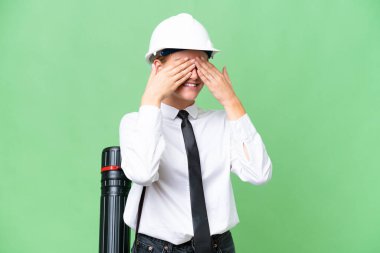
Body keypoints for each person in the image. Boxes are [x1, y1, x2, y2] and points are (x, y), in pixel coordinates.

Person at [119, 13, 272, 253]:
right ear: (158, 67)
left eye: (200, 64)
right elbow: (143, 173)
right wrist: (151, 99)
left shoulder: (222, 122)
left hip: (218, 247)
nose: (193, 75)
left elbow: (259, 173)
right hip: (158, 248)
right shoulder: (135, 123)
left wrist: (231, 101)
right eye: (183, 65)